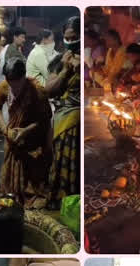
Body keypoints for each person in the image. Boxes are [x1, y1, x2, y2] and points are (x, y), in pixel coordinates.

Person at [0, 58, 52, 203]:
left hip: (34, 136)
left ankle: (29, 194)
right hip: (13, 135)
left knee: (33, 174)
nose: (13, 86)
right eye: (10, 81)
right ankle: (12, 192)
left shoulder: (37, 91)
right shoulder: (4, 86)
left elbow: (45, 119)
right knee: (10, 169)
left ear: (24, 76)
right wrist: (4, 128)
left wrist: (25, 131)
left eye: (17, 82)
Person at [47, 17, 81, 210]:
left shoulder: (85, 60)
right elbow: (49, 90)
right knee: (60, 160)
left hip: (77, 116)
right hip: (63, 116)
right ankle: (62, 200)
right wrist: (66, 71)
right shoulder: (58, 61)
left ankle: (75, 203)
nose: (70, 41)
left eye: (75, 37)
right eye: (67, 38)